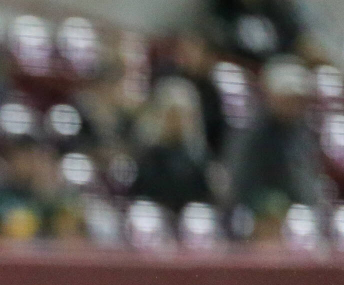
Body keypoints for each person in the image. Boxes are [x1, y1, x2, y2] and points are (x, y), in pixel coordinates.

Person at [231, 56, 324, 239]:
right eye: (289, 98)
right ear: (272, 95)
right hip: (260, 220)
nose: (295, 105)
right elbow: (242, 181)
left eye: (299, 99)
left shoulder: (302, 131)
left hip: (299, 219)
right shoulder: (253, 134)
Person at [129, 77, 213, 213]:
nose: (177, 121)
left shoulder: (199, 162)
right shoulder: (146, 160)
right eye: (172, 114)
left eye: (182, 115)